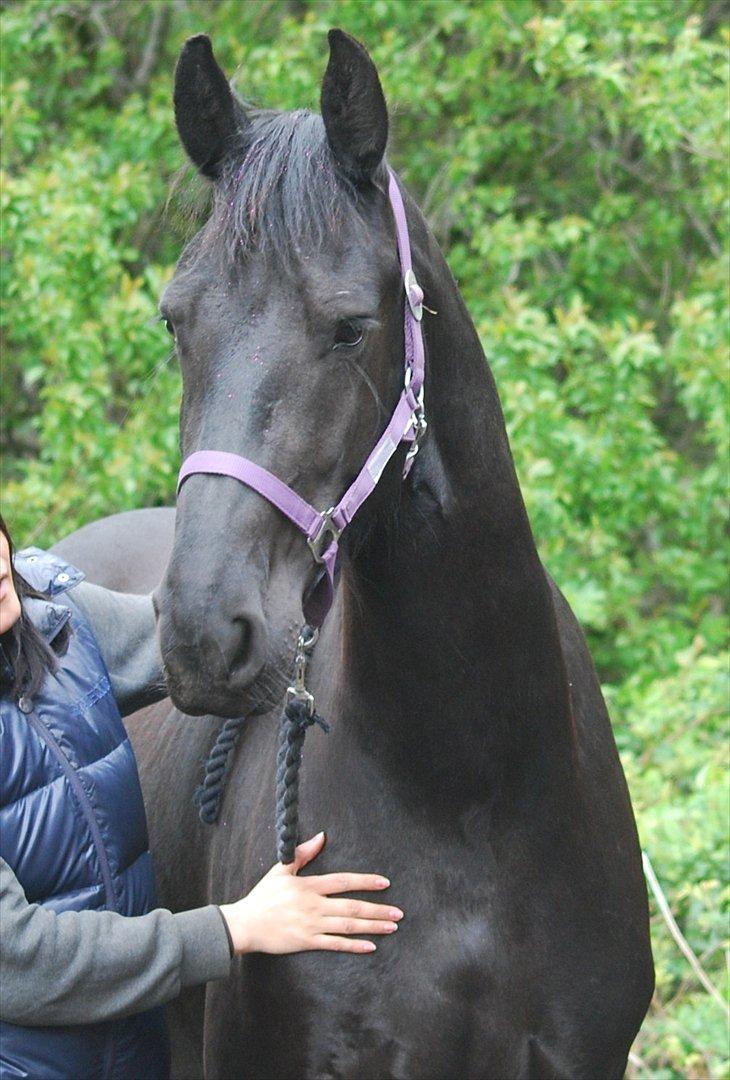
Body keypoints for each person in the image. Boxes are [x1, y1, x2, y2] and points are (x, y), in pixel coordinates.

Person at [0, 516, 402, 1079]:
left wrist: (293, 555)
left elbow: (195, 641)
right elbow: (19, 962)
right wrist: (234, 928)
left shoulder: (55, 619)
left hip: (133, 1054)